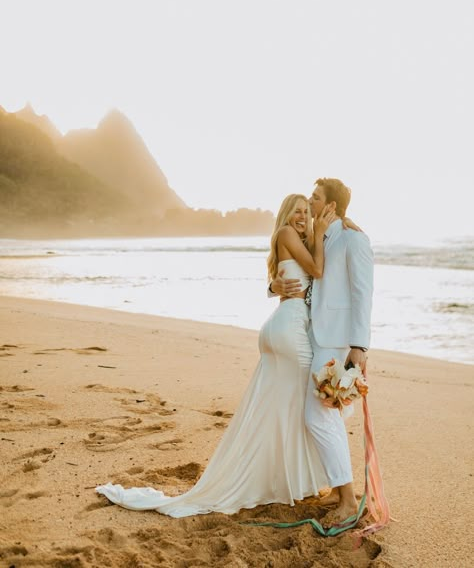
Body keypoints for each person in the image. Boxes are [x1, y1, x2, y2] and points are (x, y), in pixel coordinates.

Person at [96, 194, 337, 516]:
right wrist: (319, 233)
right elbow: (317, 271)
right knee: (302, 403)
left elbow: (299, 278)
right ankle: (286, 480)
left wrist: (276, 284)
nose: (301, 216)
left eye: (306, 212)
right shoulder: (287, 235)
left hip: (283, 327)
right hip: (289, 331)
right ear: (285, 215)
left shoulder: (294, 240)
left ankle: (282, 480)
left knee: (281, 408)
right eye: (296, 211)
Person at [270, 178, 374, 523]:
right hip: (311, 332)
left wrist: (359, 347)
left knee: (318, 414)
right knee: (324, 415)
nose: (309, 203)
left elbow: (363, 294)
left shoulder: (353, 238)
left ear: (330, 205)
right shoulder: (315, 236)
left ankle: (347, 497)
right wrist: (273, 286)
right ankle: (340, 490)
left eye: (315, 198)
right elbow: (289, 266)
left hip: (336, 338)